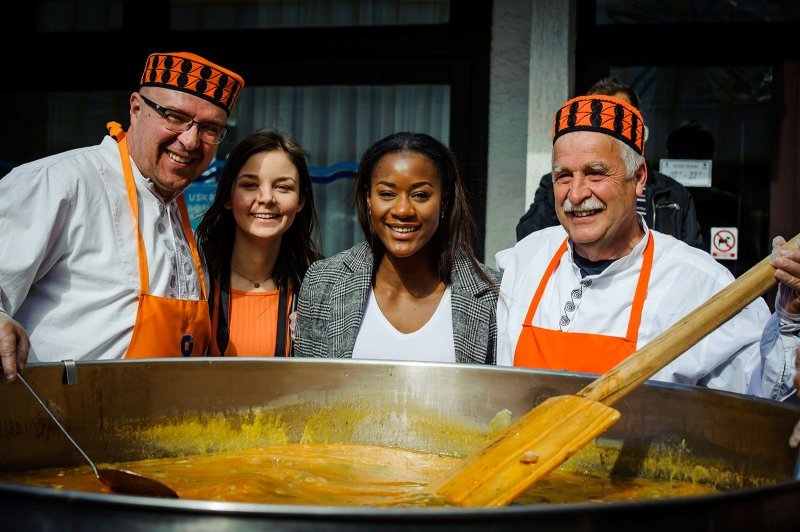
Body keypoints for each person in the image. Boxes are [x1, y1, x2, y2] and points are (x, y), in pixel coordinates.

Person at [496, 94, 800, 399]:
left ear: (639, 177)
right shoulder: (527, 260)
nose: (575, 194)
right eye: (563, 176)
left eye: (595, 173)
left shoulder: (699, 284)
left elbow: (765, 393)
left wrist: (788, 319)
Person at [0, 51, 245, 381]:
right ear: (135, 108)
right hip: (56, 422)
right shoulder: (60, 182)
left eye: (210, 128)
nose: (189, 140)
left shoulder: (178, 212)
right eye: (173, 116)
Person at [294, 132, 501, 364]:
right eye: (387, 194)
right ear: (368, 199)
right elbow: (308, 393)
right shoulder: (322, 284)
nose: (403, 210)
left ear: (444, 201)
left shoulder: (492, 294)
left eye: (420, 195)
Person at [516, 78, 704, 250]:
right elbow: (529, 239)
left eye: (616, 119)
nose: (576, 194)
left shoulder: (673, 194)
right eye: (594, 118)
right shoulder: (555, 185)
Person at [195, 129, 321, 356]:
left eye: (282, 187)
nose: (266, 198)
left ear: (300, 200)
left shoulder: (319, 289)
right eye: (250, 185)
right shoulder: (194, 281)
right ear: (227, 197)